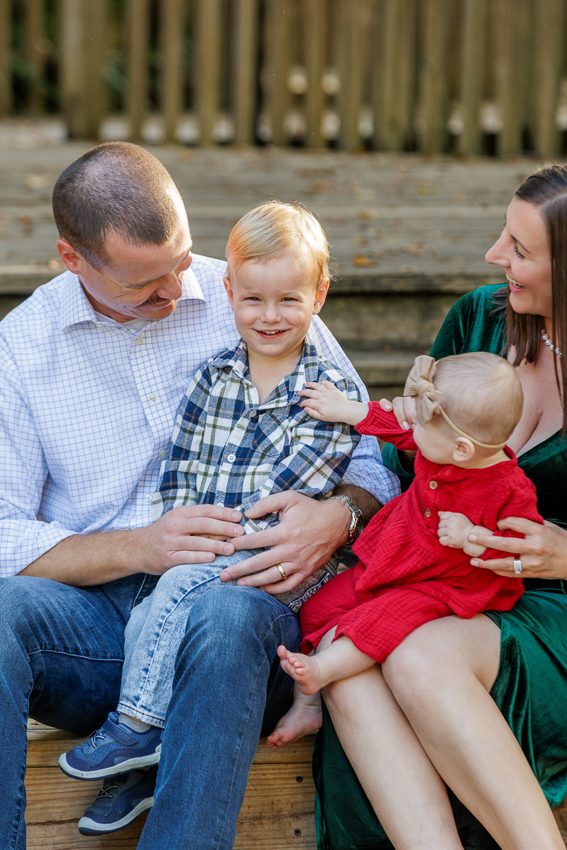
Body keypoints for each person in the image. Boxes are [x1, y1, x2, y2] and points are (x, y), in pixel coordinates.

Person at [0, 142, 400, 849]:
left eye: (180, 263)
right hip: (101, 622)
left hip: (242, 613)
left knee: (223, 612)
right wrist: (136, 548)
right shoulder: (22, 349)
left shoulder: (254, 293)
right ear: (72, 260)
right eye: (145, 284)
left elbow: (369, 450)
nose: (177, 291)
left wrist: (337, 517)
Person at [57, 200, 363, 795]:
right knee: (150, 609)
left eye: (289, 299)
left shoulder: (330, 393)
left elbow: (295, 487)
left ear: (319, 295)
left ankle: (134, 726)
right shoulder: (213, 376)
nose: (269, 316)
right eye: (253, 299)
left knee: (175, 594)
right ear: (228, 292)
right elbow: (181, 463)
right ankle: (142, 768)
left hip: (282, 562)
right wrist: (184, 524)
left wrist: (216, 542)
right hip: (214, 548)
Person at [311, 164, 567, 850]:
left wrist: (564, 553)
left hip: (549, 604)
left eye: (519, 248)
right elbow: (399, 457)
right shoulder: (480, 317)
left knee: (415, 656)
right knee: (346, 655)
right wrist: (340, 511)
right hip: (441, 578)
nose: (493, 254)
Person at [273, 352, 543, 741]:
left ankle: (322, 671)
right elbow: (397, 428)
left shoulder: (510, 489)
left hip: (443, 585)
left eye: (421, 428)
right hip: (392, 560)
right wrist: (344, 409)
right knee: (318, 609)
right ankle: (310, 705)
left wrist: (473, 538)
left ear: (462, 450)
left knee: (379, 618)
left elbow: (522, 548)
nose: (412, 433)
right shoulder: (441, 441)